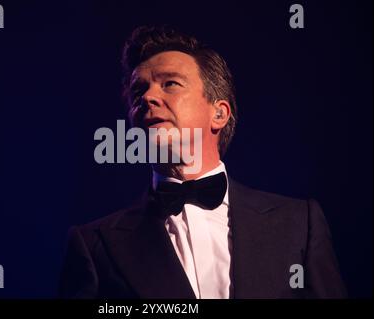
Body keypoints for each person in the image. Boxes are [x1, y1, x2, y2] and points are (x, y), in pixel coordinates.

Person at [59, 25, 347, 299]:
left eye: (170, 83)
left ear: (219, 114)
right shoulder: (94, 244)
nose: (147, 97)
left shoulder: (299, 224)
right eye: (138, 91)